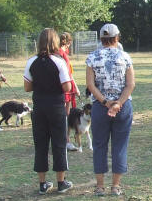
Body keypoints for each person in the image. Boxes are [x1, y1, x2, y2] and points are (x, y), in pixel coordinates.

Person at [86, 23, 135, 196]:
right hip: (123, 107)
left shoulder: (92, 57)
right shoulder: (125, 56)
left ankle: (99, 187)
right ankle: (116, 186)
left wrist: (106, 102)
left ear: (101, 38)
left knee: (99, 145)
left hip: (100, 107)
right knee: (120, 145)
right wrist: (118, 103)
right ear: (117, 38)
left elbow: (90, 85)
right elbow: (131, 84)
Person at [23, 28, 74, 195]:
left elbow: (27, 87)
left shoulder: (31, 62)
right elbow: (67, 86)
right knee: (59, 143)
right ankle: (61, 182)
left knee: (41, 144)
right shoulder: (59, 61)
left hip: (39, 106)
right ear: (55, 42)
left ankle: (42, 183)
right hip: (56, 106)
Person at [57, 32, 82, 152]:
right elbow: (67, 73)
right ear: (68, 42)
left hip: (68, 85)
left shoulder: (61, 53)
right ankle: (65, 141)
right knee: (64, 116)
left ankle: (65, 140)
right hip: (64, 87)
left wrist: (75, 86)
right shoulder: (60, 54)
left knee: (65, 115)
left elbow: (69, 73)